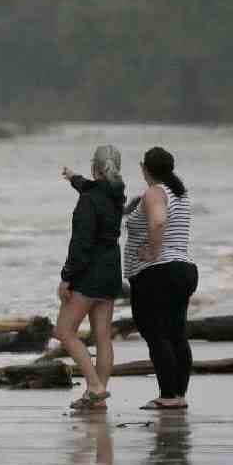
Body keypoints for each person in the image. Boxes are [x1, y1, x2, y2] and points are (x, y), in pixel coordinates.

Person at [124, 147, 198, 410]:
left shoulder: (154, 192)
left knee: (156, 334)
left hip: (157, 273)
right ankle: (178, 395)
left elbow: (157, 222)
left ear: (144, 168)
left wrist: (153, 252)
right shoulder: (180, 194)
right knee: (176, 334)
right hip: (183, 270)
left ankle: (167, 395)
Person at [57, 145, 125, 411]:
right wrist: (73, 178)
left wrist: (66, 277)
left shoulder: (89, 199)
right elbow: (91, 187)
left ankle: (95, 386)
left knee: (64, 331)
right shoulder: (116, 194)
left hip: (89, 273)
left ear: (95, 167)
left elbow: (81, 244)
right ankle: (98, 398)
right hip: (111, 270)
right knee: (103, 336)